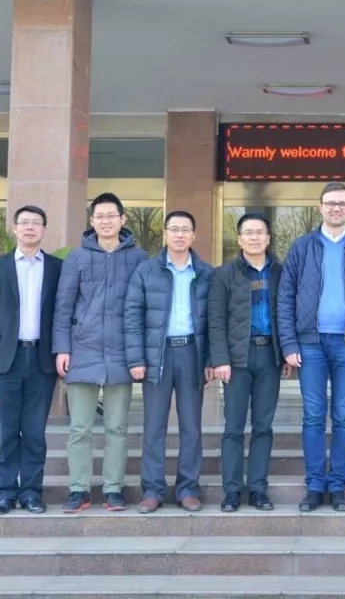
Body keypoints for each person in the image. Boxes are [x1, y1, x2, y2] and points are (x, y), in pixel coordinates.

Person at [277, 182, 345, 512]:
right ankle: (314, 485)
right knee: (313, 416)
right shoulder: (302, 246)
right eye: (330, 203)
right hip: (309, 344)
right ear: (319, 207)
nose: (336, 208)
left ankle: (337, 486)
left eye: (342, 203)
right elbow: (285, 297)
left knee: (344, 416)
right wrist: (289, 342)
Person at [53, 193, 148, 513]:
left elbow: (145, 308)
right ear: (92, 221)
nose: (106, 221)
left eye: (111, 215)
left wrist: (140, 354)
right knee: (80, 427)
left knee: (117, 427)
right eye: (100, 216)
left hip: (122, 354)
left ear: (123, 219)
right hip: (83, 351)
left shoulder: (139, 258)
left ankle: (113, 489)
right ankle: (78, 489)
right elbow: (63, 307)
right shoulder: (77, 258)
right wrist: (62, 347)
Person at [0, 205, 63, 515]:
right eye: (24, 222)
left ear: (44, 229)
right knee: (6, 431)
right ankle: (4, 493)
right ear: (14, 228)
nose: (29, 227)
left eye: (36, 223)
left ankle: (32, 493)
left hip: (41, 359)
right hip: (3, 361)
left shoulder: (57, 268)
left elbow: (63, 314)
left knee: (35, 432)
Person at [124, 210, 214, 514]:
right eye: (174, 229)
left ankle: (188, 488)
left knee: (191, 427)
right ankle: (152, 489)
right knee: (154, 426)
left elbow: (214, 321)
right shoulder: (146, 271)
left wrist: (210, 359)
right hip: (156, 355)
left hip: (191, 353)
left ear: (193, 235)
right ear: (164, 233)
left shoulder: (206, 273)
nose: (179, 235)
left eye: (185, 229)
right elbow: (132, 316)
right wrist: (137, 359)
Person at [208, 212, 290, 512]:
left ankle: (257, 489)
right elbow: (216, 320)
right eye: (248, 233)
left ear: (268, 238)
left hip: (270, 355)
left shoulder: (281, 272)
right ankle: (231, 491)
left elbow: (288, 314)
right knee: (233, 426)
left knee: (263, 426)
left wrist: (286, 351)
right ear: (239, 239)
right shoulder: (223, 274)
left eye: (260, 233)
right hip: (236, 359)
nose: (254, 238)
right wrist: (220, 359)